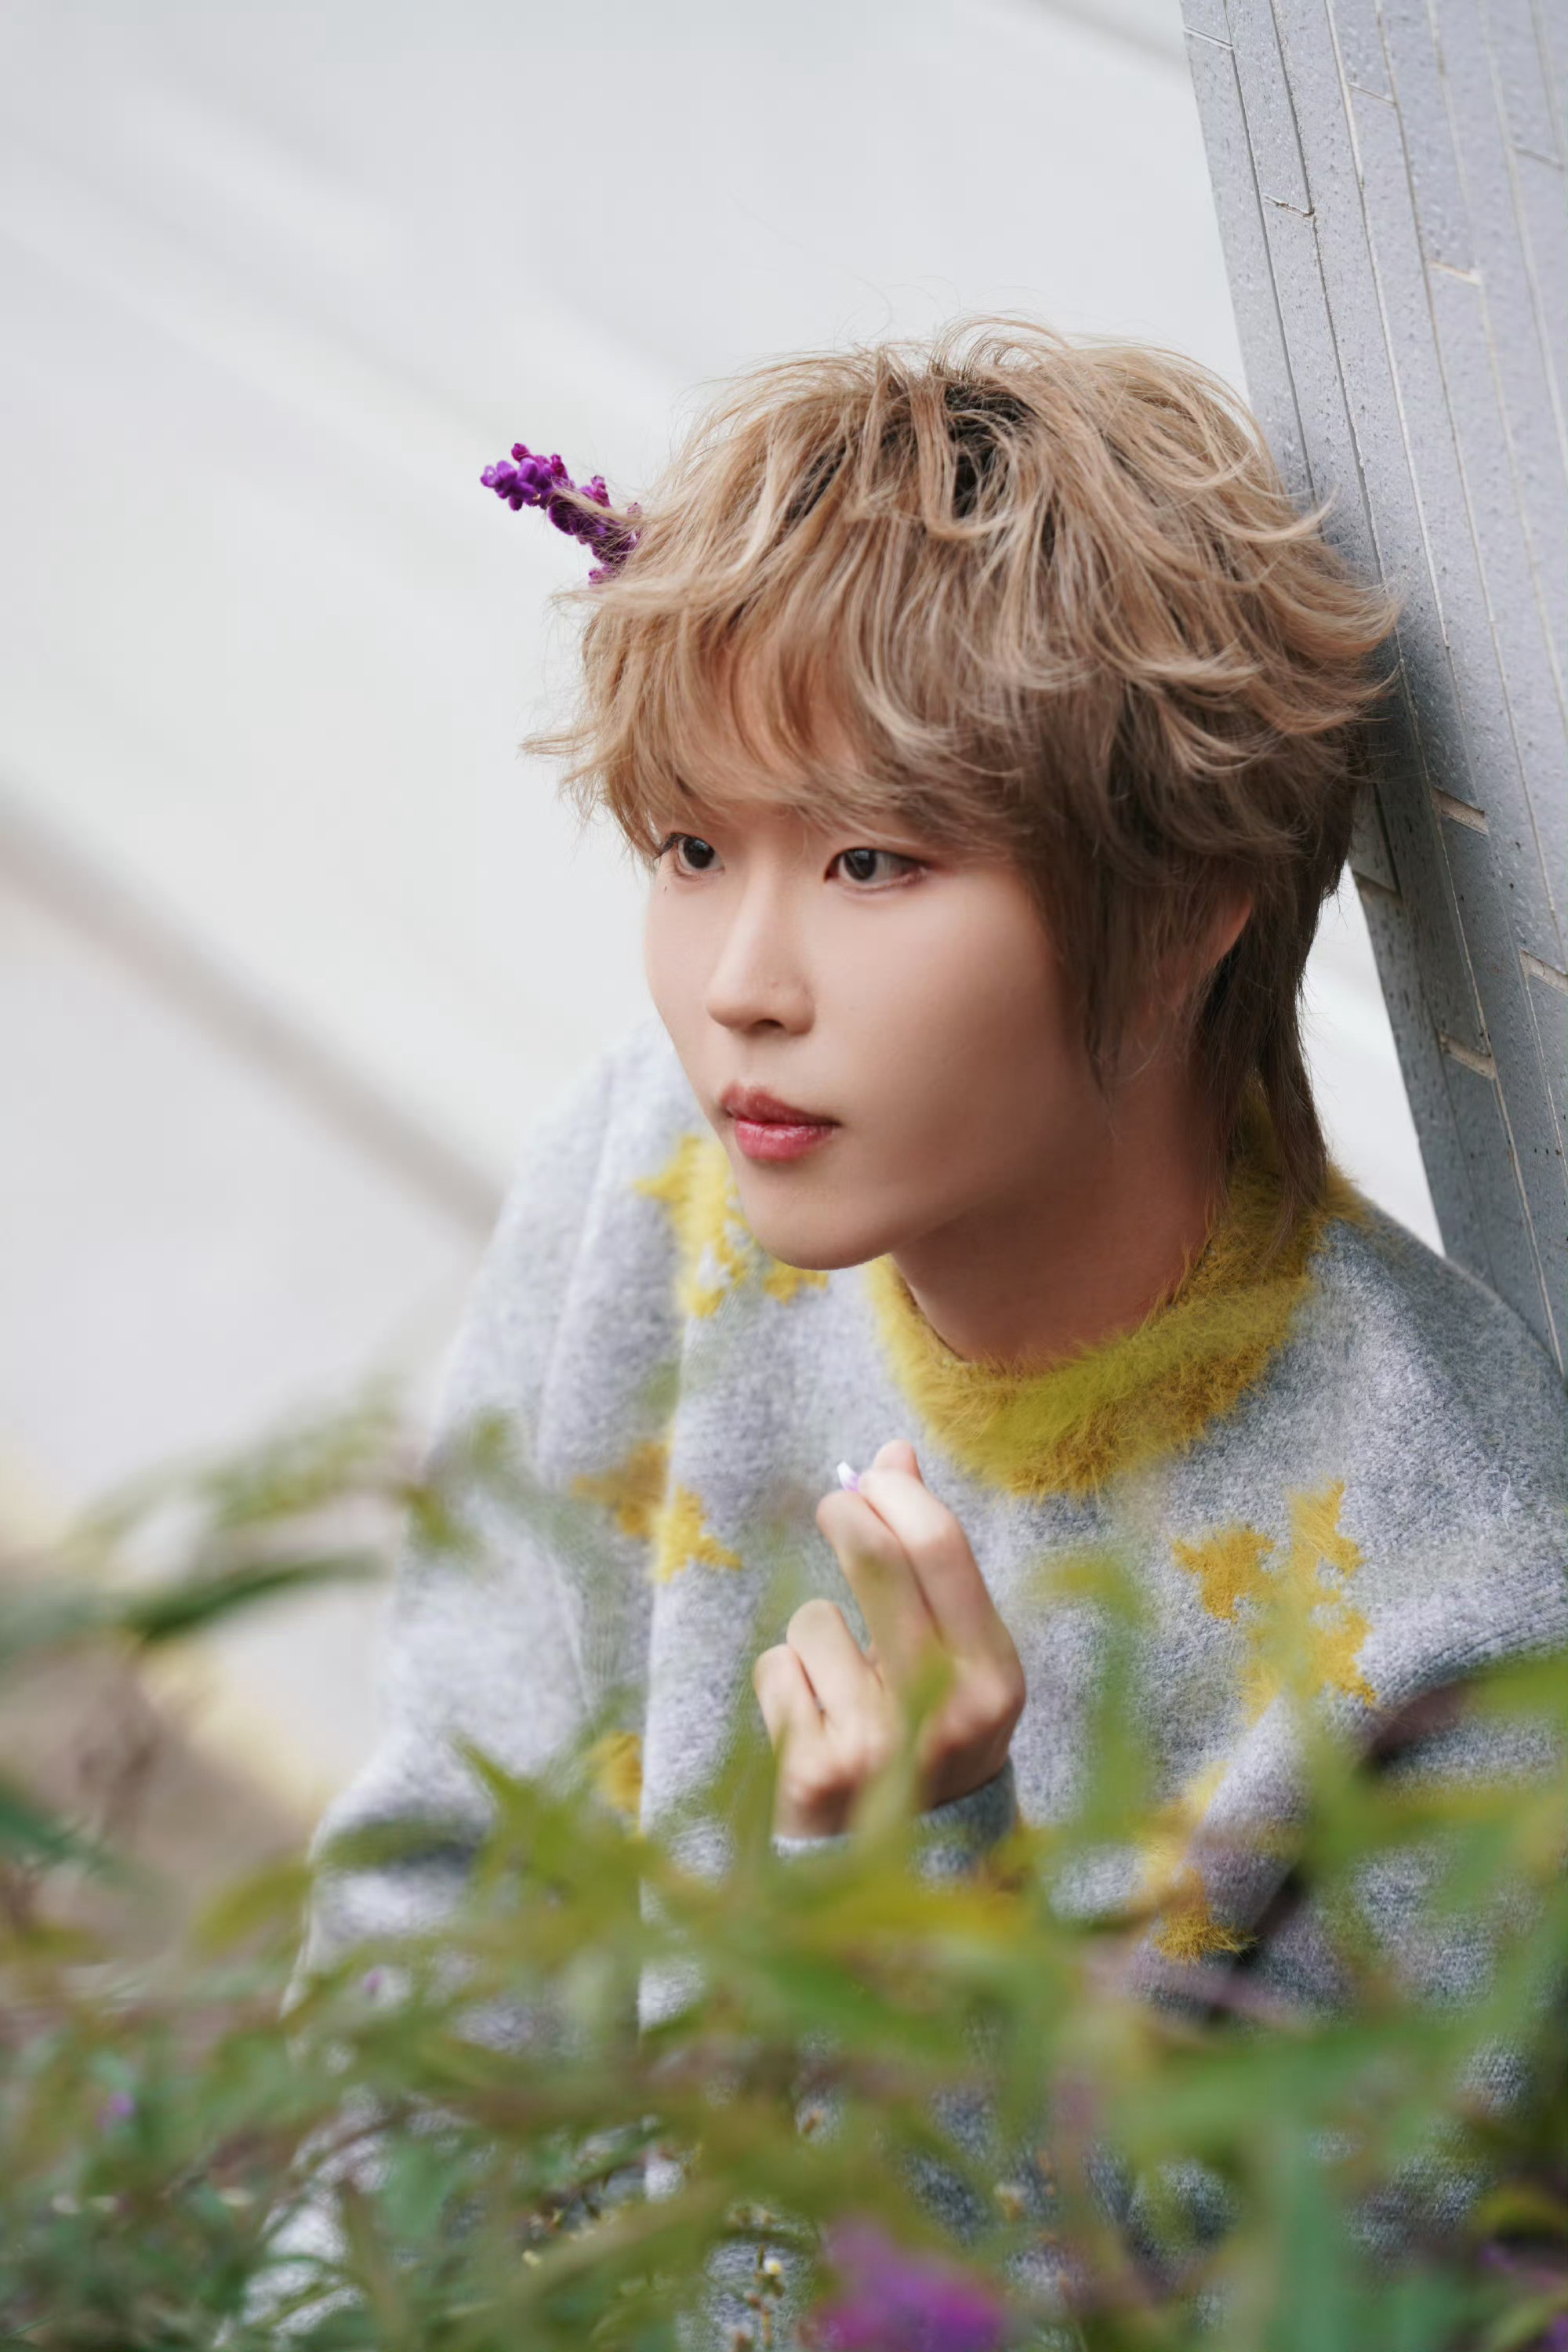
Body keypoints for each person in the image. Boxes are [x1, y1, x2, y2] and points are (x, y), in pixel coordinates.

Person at [296, 319, 1566, 2327]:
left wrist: (916, 1897)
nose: (741, 983)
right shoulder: (651, 1166)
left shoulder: (1460, 1598)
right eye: (691, 848)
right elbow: (440, 1891)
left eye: (870, 859)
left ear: (1186, 906)